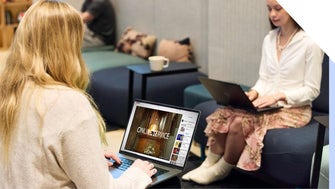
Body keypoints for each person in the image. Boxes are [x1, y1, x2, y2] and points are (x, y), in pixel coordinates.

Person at [0, 1, 156, 188]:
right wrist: (137, 174)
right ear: (68, 46)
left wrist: (87, 160)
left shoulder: (9, 91)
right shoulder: (69, 102)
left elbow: (30, 158)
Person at [182, 0, 324, 185]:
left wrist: (278, 96)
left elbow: (312, 90)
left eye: (278, 8)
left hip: (295, 110)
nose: (272, 14)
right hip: (268, 104)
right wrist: (254, 93)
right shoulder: (270, 38)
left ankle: (221, 170)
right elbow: (264, 78)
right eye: (269, 9)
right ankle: (208, 163)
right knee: (223, 114)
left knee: (239, 122)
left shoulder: (310, 43)